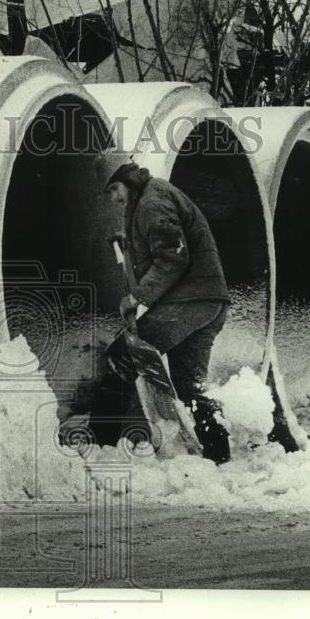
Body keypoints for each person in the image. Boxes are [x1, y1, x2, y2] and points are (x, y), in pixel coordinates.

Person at [89, 162, 232, 464]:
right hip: (210, 302)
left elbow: (172, 256)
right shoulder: (154, 198)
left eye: (114, 190)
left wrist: (137, 296)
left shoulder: (152, 201)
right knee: (190, 385)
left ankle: (98, 449)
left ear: (128, 182)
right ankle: (219, 456)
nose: (113, 198)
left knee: (120, 357)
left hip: (189, 302)